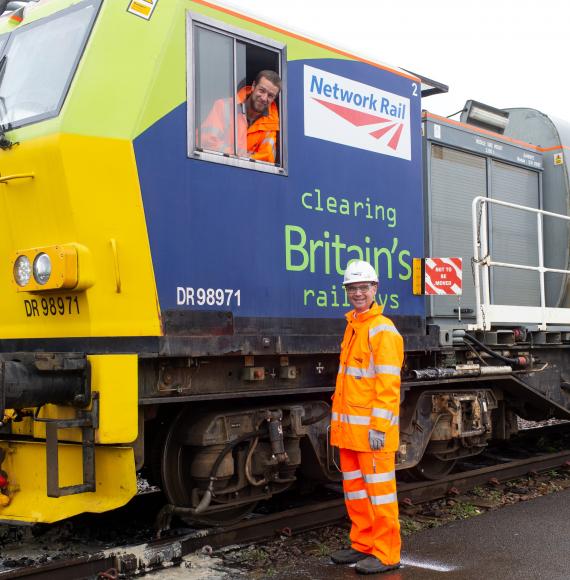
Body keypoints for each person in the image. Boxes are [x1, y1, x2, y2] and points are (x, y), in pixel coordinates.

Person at [330, 260, 404, 575]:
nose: (357, 293)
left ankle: (387, 554)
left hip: (371, 433)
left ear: (374, 289)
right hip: (349, 432)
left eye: (363, 287)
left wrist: (379, 427)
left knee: (380, 494)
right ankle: (362, 544)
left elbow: (388, 386)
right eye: (352, 288)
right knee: (357, 492)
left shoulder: (383, 330)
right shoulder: (354, 325)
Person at [199, 70, 281, 164]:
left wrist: (229, 151)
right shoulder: (224, 106)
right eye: (261, 91)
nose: (264, 98)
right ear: (253, 86)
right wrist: (240, 154)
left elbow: (267, 159)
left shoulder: (271, 124)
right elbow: (205, 141)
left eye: (270, 95)